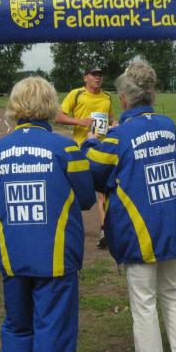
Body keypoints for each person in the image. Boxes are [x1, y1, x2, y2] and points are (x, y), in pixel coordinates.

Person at [0, 76, 95, 352]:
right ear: (50, 106)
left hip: (12, 255)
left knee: (16, 323)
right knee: (53, 326)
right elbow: (87, 198)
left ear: (15, 106)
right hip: (55, 257)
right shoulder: (66, 149)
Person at [83, 60, 176, 352]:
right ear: (152, 94)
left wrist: (91, 140)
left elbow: (93, 171)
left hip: (139, 228)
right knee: (172, 291)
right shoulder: (168, 126)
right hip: (173, 221)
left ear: (123, 99)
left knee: (144, 303)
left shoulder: (118, 136)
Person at [55, 66, 115, 248]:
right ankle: (66, 226)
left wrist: (115, 125)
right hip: (81, 150)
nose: (98, 78)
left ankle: (105, 230)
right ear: (85, 78)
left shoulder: (107, 96)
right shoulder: (76, 94)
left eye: (100, 75)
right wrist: (79, 121)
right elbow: (58, 116)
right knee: (73, 190)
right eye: (94, 75)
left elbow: (111, 119)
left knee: (103, 192)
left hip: (102, 150)